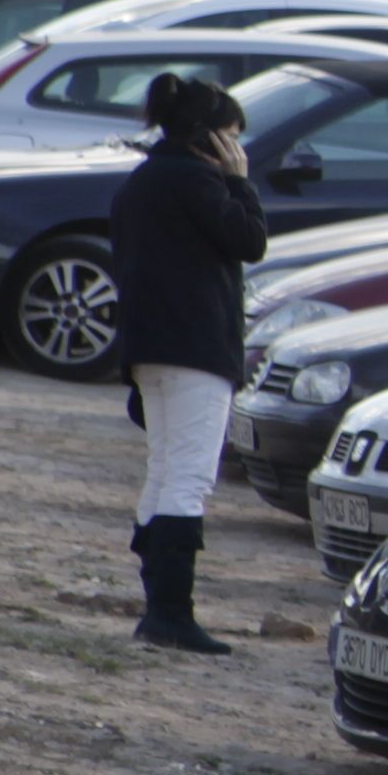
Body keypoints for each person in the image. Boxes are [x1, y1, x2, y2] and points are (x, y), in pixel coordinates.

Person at [111, 71, 267, 655]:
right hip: (194, 350)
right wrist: (240, 183)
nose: (240, 150)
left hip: (151, 350)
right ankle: (170, 612)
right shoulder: (201, 183)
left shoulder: (143, 181)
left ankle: (160, 606)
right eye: (233, 137)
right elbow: (249, 240)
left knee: (165, 468)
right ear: (213, 140)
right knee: (189, 476)